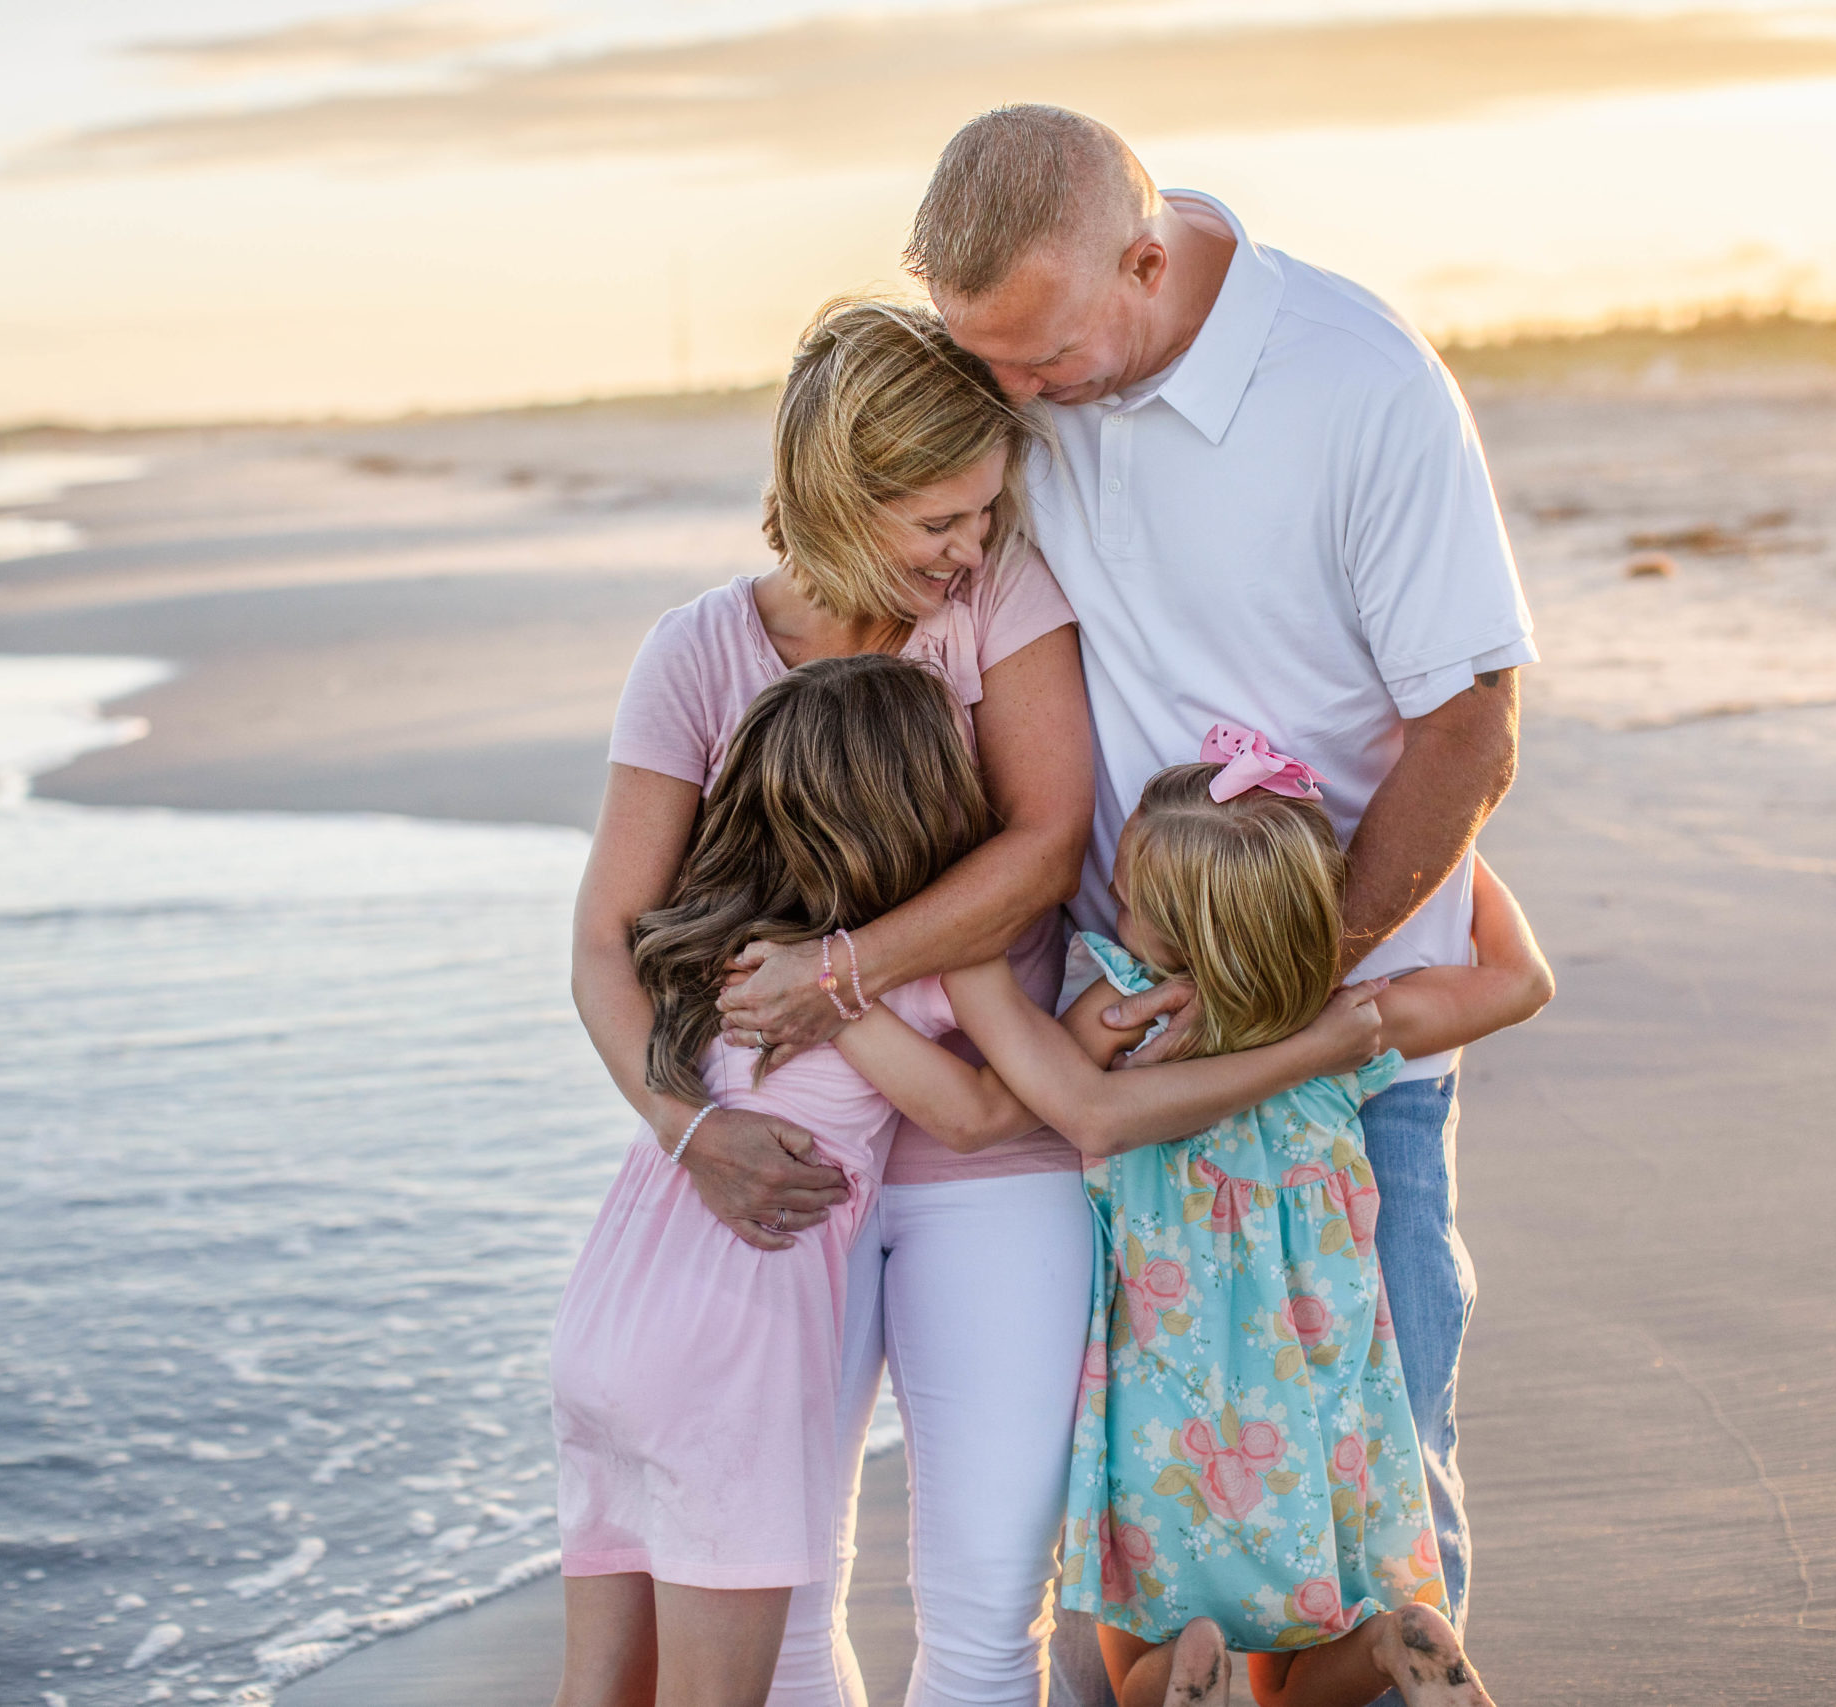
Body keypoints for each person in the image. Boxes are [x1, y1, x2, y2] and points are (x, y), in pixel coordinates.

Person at [573, 297, 1348, 1706]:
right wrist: (691, 1131)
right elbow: (604, 947)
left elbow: (1043, 845)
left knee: (988, 1611)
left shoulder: (999, 601)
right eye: (940, 521)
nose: (971, 549)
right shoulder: (696, 652)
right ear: (833, 496)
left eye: (986, 511)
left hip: (997, 1158)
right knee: (786, 1609)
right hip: (786, 1184)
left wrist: (841, 971)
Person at [901, 105, 1539, 1635]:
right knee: (1120, 1487)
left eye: (1039, 362)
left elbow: (1469, 729)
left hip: (1347, 1049)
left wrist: (1282, 982)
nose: (1010, 395)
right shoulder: (1019, 368)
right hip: (1109, 1027)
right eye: (981, 357)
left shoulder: (1359, 384)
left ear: (1144, 258)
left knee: (1369, 1472)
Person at [554, 662, 1390, 1707]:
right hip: (735, 1335)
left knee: (614, 1682)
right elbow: (989, 1111)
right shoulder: (921, 965)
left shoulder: (725, 943)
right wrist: (852, 995)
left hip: (609, 1315)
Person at [821, 733, 1553, 1707]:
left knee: (1141, 1653)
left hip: (1168, 1377)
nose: (1111, 912)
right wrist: (1456, 862)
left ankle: (1184, 1668)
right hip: (1326, 1371)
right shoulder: (1350, 1020)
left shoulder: (1121, 1016)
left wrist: (884, 978)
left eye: (1125, 900)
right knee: (1301, 1663)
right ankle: (1387, 1643)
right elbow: (1520, 982)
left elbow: (999, 1095)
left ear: (1170, 930)